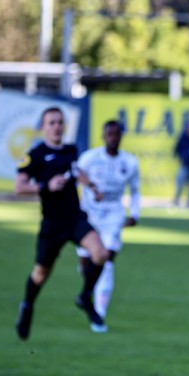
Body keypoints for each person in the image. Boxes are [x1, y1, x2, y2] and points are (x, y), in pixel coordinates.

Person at [14, 106, 110, 339]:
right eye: (52, 122)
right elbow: (19, 187)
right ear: (43, 127)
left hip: (75, 218)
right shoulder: (36, 154)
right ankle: (27, 306)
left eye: (60, 122)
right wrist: (46, 186)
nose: (57, 126)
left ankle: (85, 297)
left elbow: (77, 172)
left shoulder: (70, 150)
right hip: (52, 224)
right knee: (40, 274)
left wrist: (92, 187)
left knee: (101, 253)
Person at [74, 119, 141, 325]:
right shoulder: (90, 158)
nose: (112, 138)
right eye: (109, 134)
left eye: (116, 134)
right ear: (103, 136)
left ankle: (99, 313)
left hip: (114, 215)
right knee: (87, 263)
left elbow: (136, 190)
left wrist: (135, 214)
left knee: (108, 259)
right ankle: (87, 295)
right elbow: (75, 174)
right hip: (90, 215)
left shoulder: (130, 162)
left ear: (120, 136)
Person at [173, 121, 189, 208]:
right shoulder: (183, 138)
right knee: (180, 184)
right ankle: (176, 201)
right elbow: (176, 149)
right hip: (185, 165)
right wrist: (181, 157)